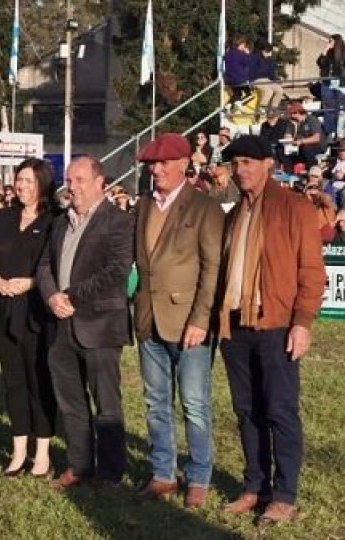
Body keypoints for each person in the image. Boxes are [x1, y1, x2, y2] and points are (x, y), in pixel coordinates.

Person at [215, 135, 325, 525]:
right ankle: (254, 486)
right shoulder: (233, 214)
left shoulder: (294, 207)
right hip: (236, 327)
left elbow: (312, 271)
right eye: (235, 163)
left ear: (268, 165)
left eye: (247, 162)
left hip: (276, 325)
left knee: (280, 410)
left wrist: (302, 323)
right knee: (247, 411)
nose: (240, 169)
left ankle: (283, 495)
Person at [132, 134, 225, 509]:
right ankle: (163, 474)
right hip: (148, 319)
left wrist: (201, 319)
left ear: (184, 163)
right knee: (156, 402)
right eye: (152, 165)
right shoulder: (141, 206)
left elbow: (212, 268)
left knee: (194, 403)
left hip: (190, 323)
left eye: (163, 163)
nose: (156, 170)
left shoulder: (205, 208)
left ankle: (199, 477)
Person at [36, 156, 133, 489]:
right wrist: (51, 296)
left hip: (100, 325)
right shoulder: (62, 221)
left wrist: (71, 295)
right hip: (61, 325)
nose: (71, 186)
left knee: (106, 403)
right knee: (71, 402)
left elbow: (117, 271)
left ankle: (109, 472)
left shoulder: (117, 220)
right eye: (69, 180)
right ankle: (79, 466)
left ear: (98, 181)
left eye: (78, 180)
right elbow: (45, 265)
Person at [0, 158, 57, 479]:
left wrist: (32, 283)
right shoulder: (1, 218)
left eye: (28, 180)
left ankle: (42, 453)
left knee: (39, 382)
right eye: (19, 180)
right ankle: (19, 451)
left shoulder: (55, 220)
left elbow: (60, 265)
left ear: (42, 184)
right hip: (3, 309)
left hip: (36, 313)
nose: (21, 186)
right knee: (14, 383)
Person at [282, 100, 325, 170]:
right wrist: (289, 137)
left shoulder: (311, 120)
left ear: (298, 112)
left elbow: (316, 138)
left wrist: (301, 141)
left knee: (306, 148)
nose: (291, 116)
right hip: (300, 144)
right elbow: (288, 135)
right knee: (281, 149)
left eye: (293, 113)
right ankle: (289, 172)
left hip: (317, 145)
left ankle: (311, 170)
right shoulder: (293, 122)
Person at [317, 35, 345, 138]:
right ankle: (330, 131)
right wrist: (325, 49)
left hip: (340, 83)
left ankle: (340, 133)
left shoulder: (343, 52)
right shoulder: (328, 52)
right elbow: (320, 63)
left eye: (331, 41)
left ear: (337, 42)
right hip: (327, 83)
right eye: (329, 41)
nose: (329, 42)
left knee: (341, 109)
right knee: (328, 108)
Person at [250, 41, 284, 114]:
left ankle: (273, 108)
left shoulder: (269, 60)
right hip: (256, 79)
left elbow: (271, 72)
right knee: (268, 91)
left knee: (279, 90)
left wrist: (276, 79)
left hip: (266, 79)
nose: (268, 53)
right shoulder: (254, 58)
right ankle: (262, 107)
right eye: (267, 51)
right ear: (261, 50)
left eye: (269, 51)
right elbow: (252, 71)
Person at [224, 36, 254, 114]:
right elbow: (249, 63)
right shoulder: (241, 54)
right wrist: (248, 54)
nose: (244, 46)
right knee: (249, 95)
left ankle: (228, 106)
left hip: (230, 79)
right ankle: (238, 104)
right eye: (244, 45)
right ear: (240, 44)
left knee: (237, 95)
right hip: (240, 79)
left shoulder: (228, 54)